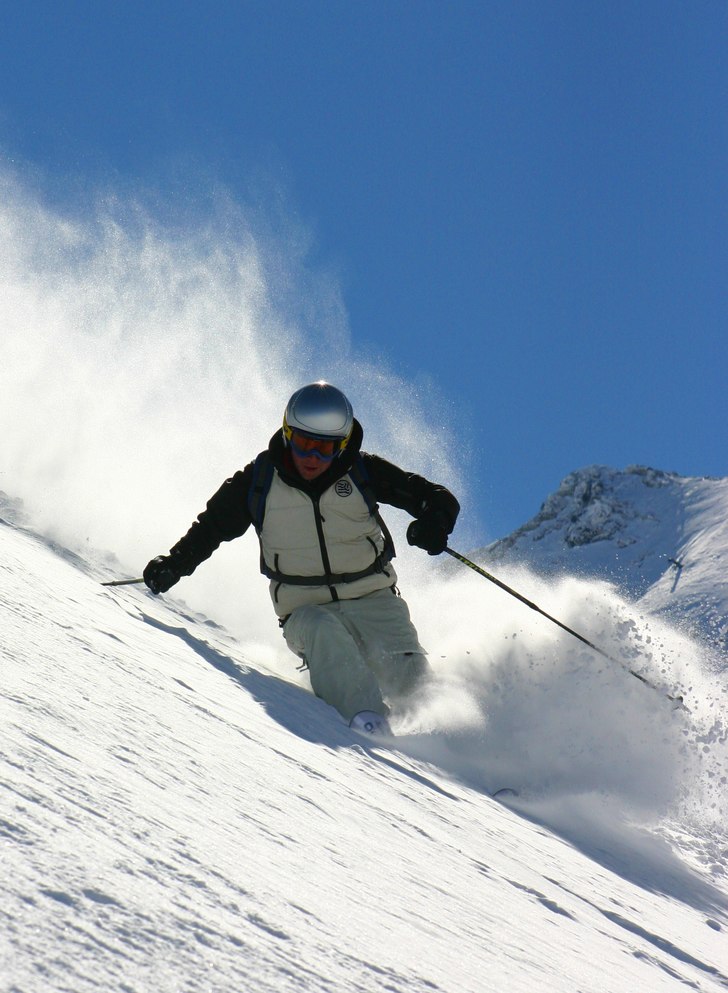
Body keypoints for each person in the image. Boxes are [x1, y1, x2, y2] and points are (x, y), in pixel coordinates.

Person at [143, 382, 459, 735]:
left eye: (325, 449)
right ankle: (371, 728)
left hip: (375, 600)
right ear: (288, 433)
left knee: (413, 682)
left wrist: (435, 522)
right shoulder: (258, 481)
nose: (313, 458)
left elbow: (434, 497)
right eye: (304, 444)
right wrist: (175, 563)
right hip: (305, 608)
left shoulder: (362, 472)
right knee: (327, 636)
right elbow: (212, 527)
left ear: (341, 446)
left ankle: (453, 755)